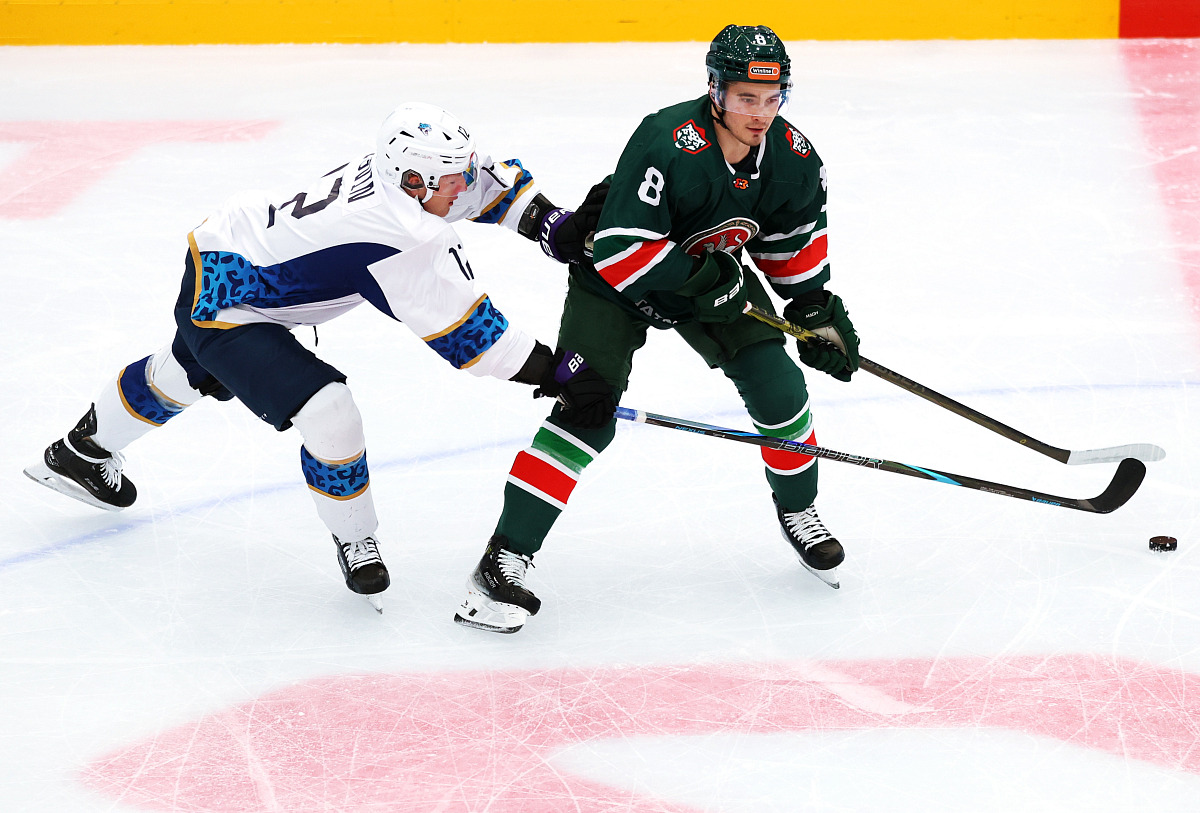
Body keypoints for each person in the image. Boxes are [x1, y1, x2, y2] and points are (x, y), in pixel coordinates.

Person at [24, 102, 615, 613]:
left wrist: (550, 223)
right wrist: (558, 371)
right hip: (230, 303)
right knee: (329, 411)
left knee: (188, 369)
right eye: (450, 179)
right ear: (413, 181)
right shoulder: (402, 236)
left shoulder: (406, 179)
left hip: (231, 254)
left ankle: (80, 452)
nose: (463, 185)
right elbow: (471, 338)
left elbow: (479, 181)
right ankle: (356, 539)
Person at [453, 25, 861, 634]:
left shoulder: (794, 160)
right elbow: (620, 252)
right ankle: (503, 558)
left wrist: (811, 309)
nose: (761, 113)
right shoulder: (667, 141)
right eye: (746, 97)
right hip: (614, 284)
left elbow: (789, 244)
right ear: (716, 91)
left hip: (709, 279)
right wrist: (706, 282)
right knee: (586, 410)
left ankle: (799, 511)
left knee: (780, 387)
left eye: (773, 98)